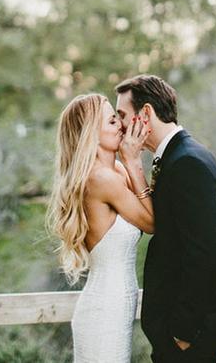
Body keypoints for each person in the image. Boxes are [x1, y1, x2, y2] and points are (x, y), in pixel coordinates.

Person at [115, 75, 216, 363]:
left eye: (122, 115)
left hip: (191, 335)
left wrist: (183, 332)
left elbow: (204, 253)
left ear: (145, 113)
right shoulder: (180, 156)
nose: (120, 125)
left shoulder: (187, 163)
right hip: (186, 332)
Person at [47, 93, 155, 363]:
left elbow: (147, 204)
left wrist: (128, 164)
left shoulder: (115, 171)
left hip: (117, 306)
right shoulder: (101, 178)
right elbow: (152, 222)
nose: (121, 125)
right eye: (111, 121)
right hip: (104, 310)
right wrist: (133, 162)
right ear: (90, 135)